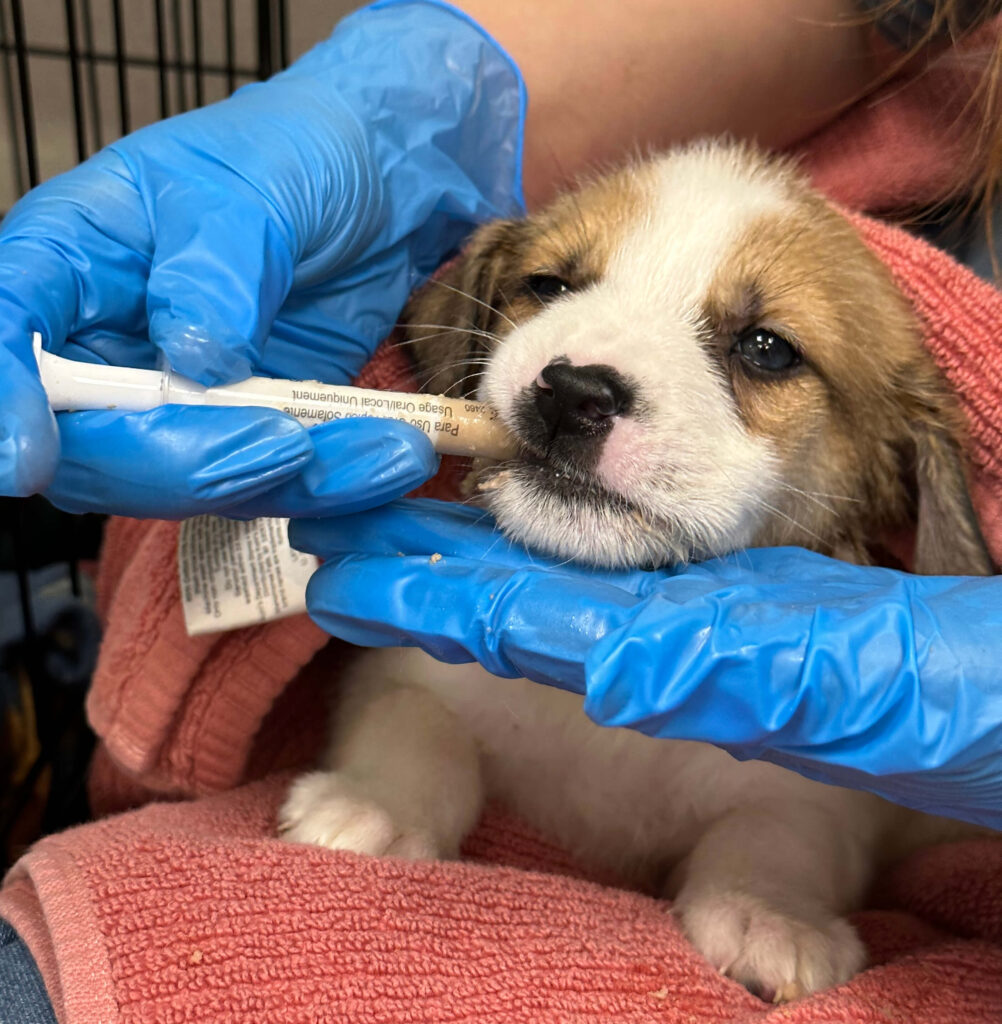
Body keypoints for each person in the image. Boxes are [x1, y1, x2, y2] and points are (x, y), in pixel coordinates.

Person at [1, 5, 1001, 1005]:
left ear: (888, 471)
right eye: (555, 281)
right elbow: (409, 693)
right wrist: (401, 107)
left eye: (765, 348)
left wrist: (763, 871)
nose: (584, 378)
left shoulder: (848, 679)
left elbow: (823, 809)